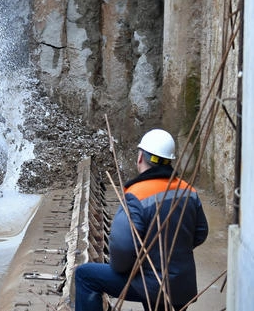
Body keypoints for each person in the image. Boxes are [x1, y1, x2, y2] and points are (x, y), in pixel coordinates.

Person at [74, 129, 209, 311]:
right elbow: (201, 233)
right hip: (183, 285)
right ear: (169, 160)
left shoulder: (137, 194)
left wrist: (132, 268)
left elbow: (122, 248)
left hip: (153, 285)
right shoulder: (188, 191)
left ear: (140, 158)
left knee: (85, 275)